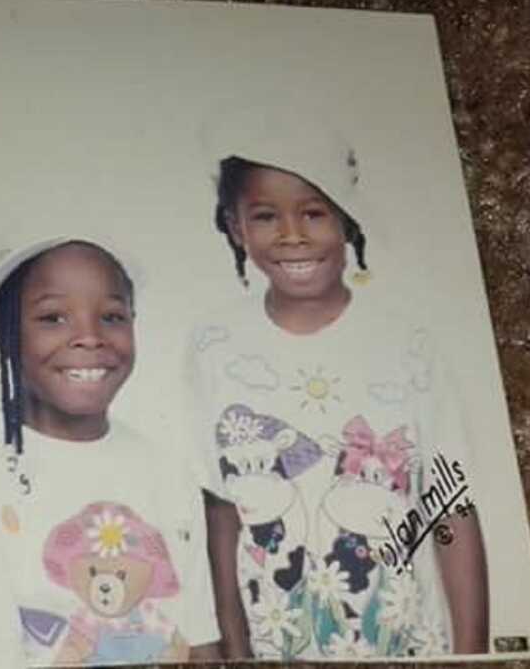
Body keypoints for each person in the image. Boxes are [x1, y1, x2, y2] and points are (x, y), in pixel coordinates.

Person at [188, 115, 489, 660]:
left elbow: (450, 510)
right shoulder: (214, 346)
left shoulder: (409, 345)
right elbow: (219, 513)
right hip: (275, 646)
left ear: (347, 221)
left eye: (314, 213)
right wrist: (234, 652)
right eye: (265, 216)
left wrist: (472, 656)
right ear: (235, 227)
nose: (293, 235)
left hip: (406, 647)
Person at [0, 236, 221, 668]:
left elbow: (200, 645)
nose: (89, 337)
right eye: (53, 318)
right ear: (5, 332)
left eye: (111, 316)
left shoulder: (166, 470)